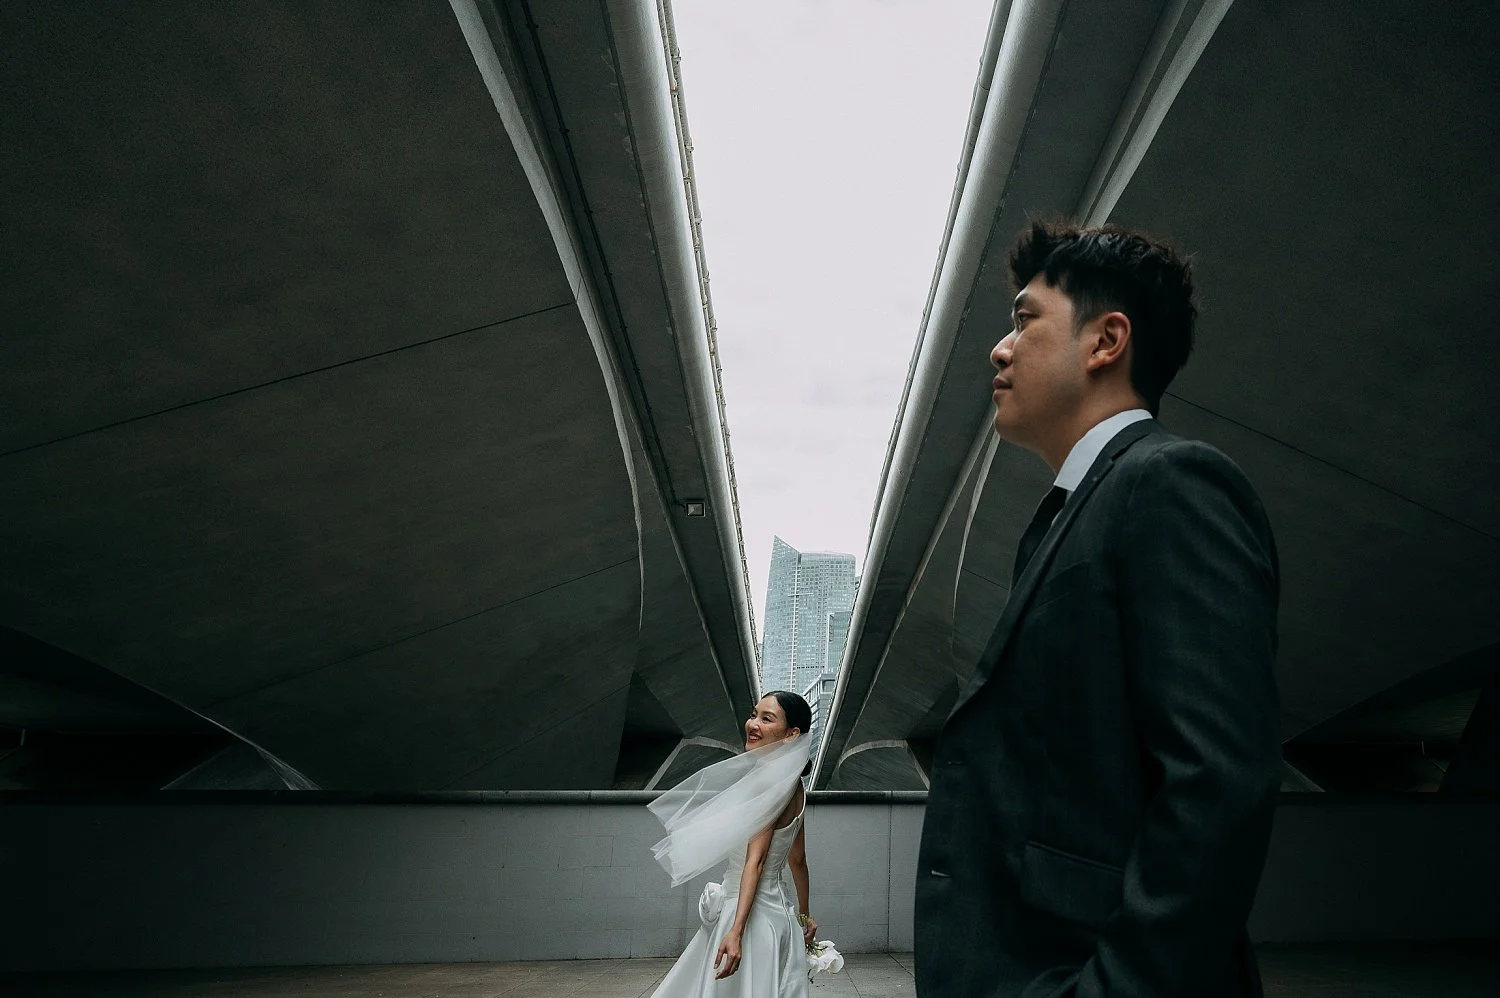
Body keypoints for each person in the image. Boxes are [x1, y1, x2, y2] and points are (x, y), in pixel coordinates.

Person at [915, 221, 1282, 997]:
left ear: (1105, 340)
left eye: (1023, 319)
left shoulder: (1172, 484)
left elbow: (1215, 785)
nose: (1000, 348)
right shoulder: (1076, 511)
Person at [648, 691, 819, 998]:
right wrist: (804, 918)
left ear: (792, 734)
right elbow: (798, 860)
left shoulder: (768, 783)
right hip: (778, 917)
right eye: (754, 714)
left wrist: (736, 932)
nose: (753, 724)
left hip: (749, 915)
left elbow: (756, 861)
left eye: (767, 719)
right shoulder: (795, 784)